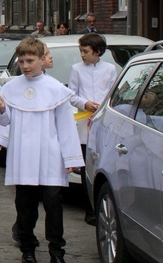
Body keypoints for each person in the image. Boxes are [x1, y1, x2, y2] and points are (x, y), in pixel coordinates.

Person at [0, 37, 84, 263]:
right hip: (22, 154)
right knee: (25, 205)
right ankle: (28, 248)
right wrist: (2, 109)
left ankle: (56, 250)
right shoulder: (11, 87)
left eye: (30, 60)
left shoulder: (55, 89)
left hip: (50, 155)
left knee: (53, 204)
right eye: (22, 61)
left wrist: (70, 156)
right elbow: (5, 122)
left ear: (42, 60)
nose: (25, 66)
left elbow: (65, 126)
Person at [68, 33, 117, 225]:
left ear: (97, 52)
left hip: (104, 122)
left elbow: (113, 92)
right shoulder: (76, 69)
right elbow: (72, 95)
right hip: (84, 123)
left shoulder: (110, 69)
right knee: (87, 167)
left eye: (86, 51)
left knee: (102, 166)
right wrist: (85, 103)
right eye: (81, 51)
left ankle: (101, 206)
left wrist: (104, 106)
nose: (82, 55)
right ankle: (89, 210)